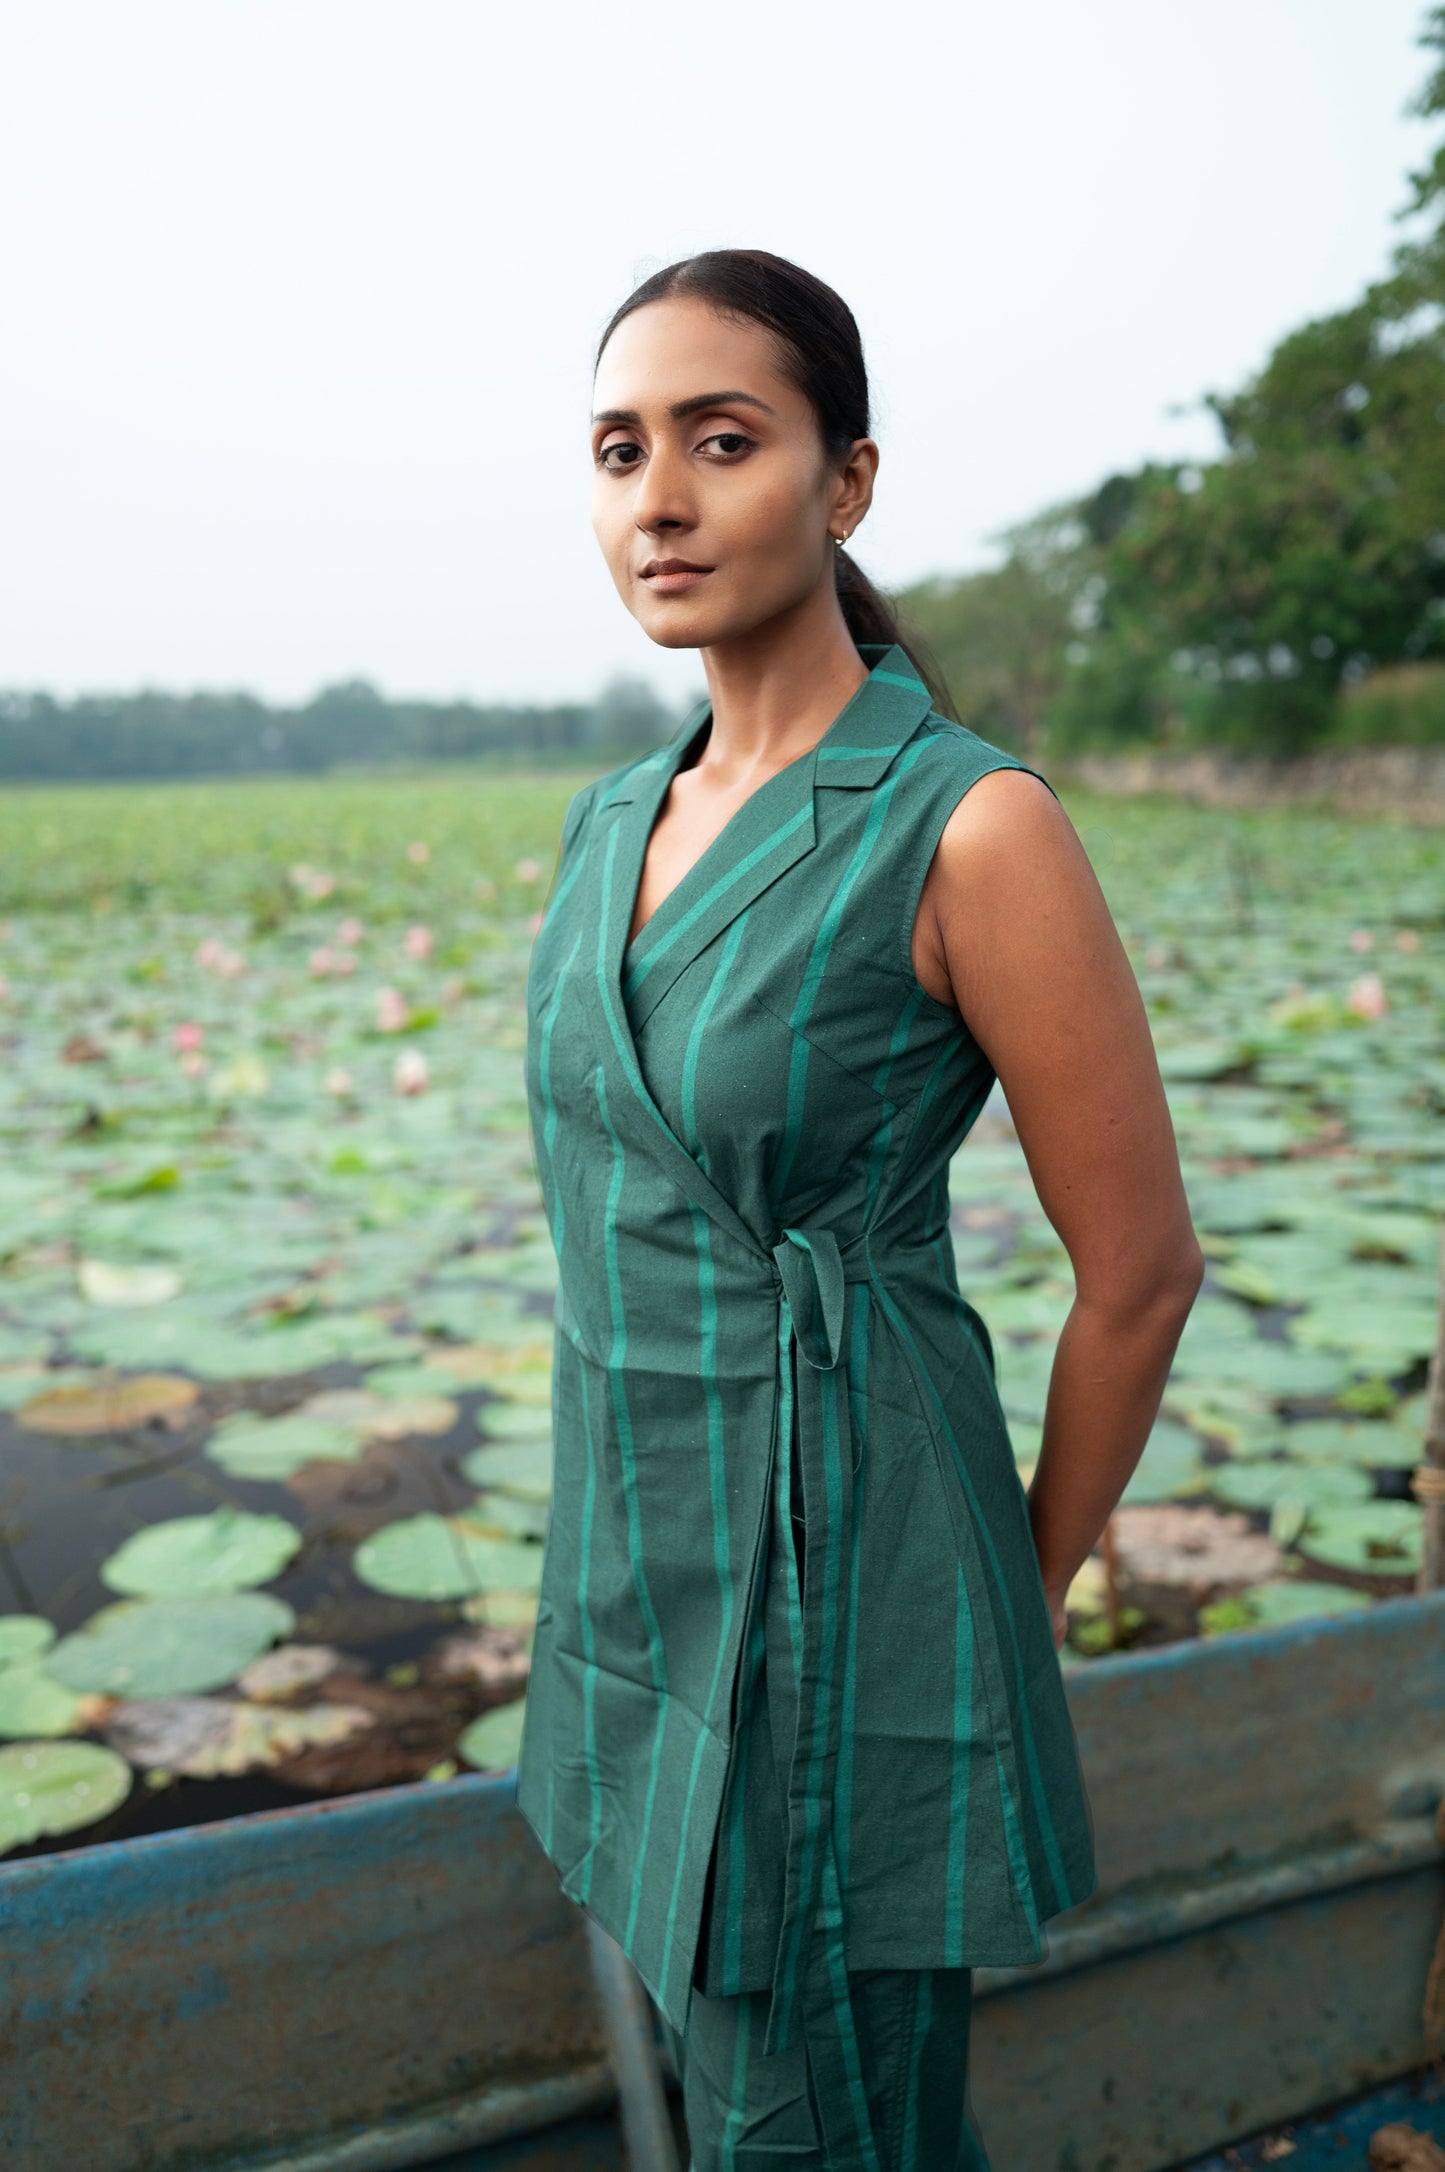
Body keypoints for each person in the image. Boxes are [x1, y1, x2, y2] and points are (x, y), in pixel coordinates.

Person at [515, 247, 1204, 2172]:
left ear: (846, 482)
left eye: (721, 442)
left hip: (844, 1592)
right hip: (634, 1580)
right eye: (616, 448)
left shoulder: (968, 826)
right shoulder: (604, 828)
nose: (656, 498)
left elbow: (1139, 1276)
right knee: (725, 2075)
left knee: (820, 2124)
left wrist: (1003, 1593)